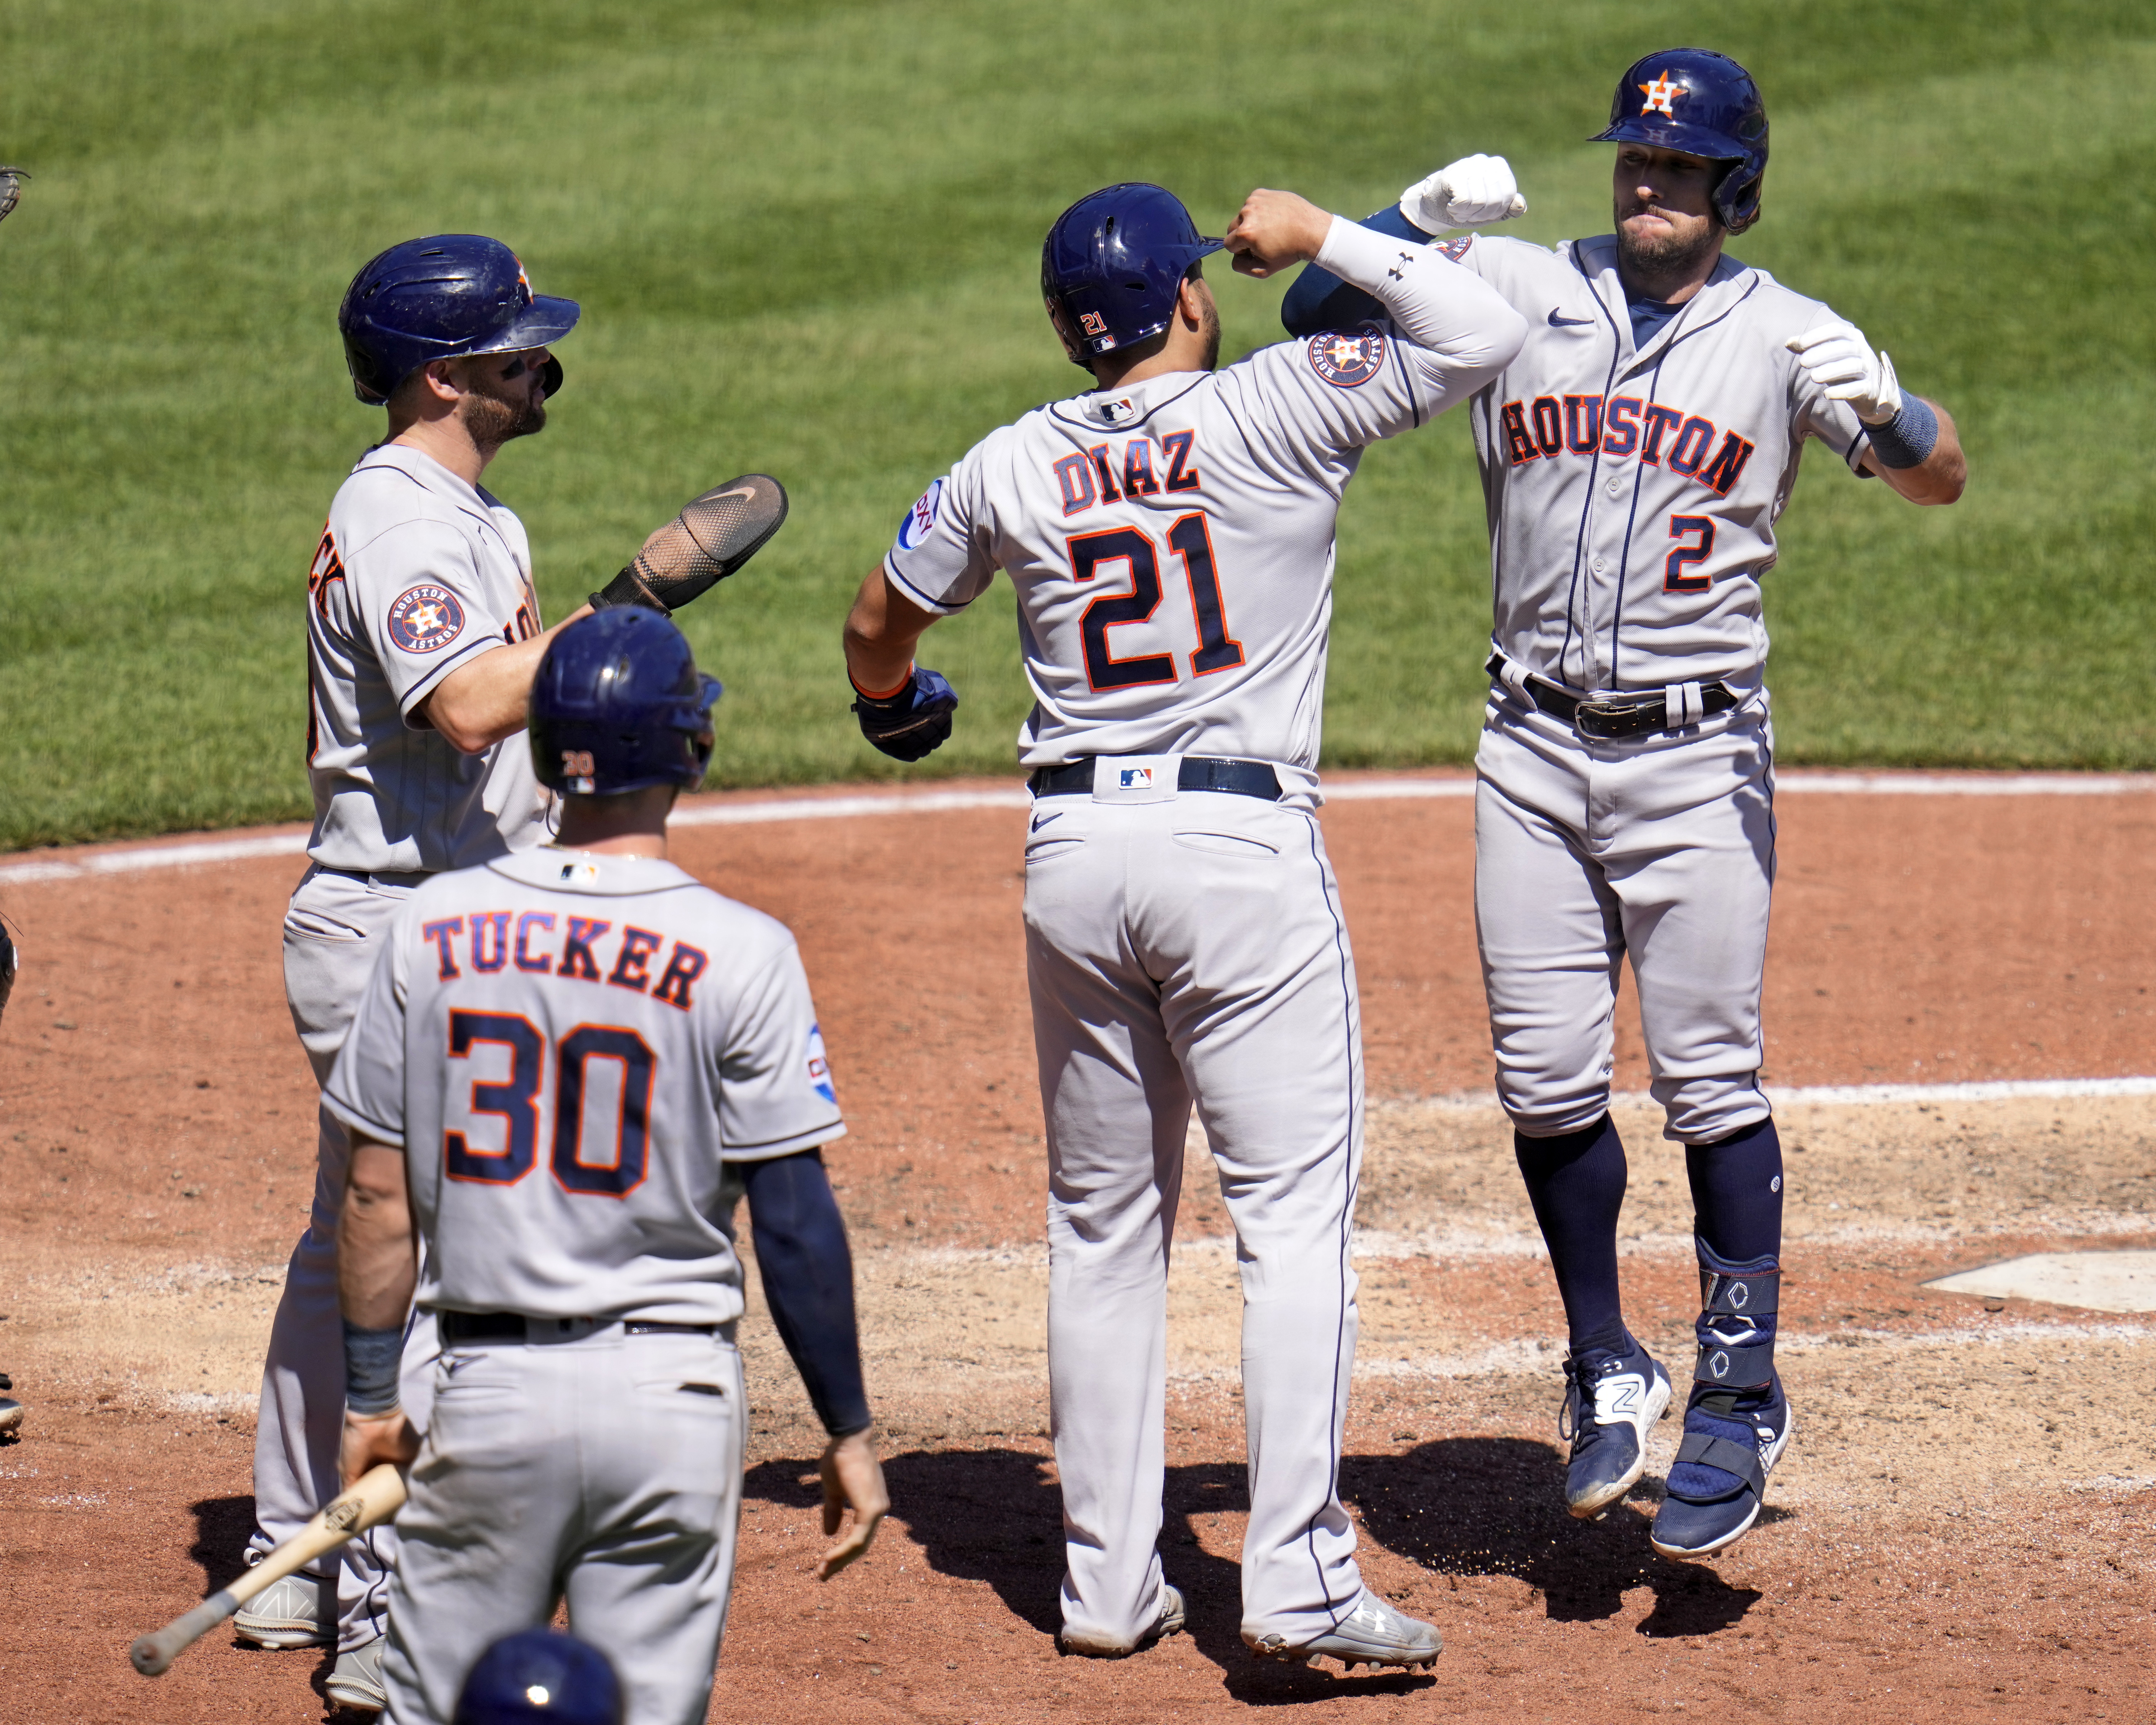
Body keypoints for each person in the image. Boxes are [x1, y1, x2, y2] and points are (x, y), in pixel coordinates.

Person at [1281, 49, 1965, 1559]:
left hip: (1693, 757)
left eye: (1677, 170)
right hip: (1527, 746)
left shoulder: (1790, 337)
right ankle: (1608, 1356)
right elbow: (1310, 320)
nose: (1646, 188)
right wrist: (1398, 216)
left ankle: (1739, 1385)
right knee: (1541, 1082)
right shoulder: (1515, 288)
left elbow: (1939, 483)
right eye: (1633, 164)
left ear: (1734, 187)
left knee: (1709, 1079)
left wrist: (1895, 412)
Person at [843, 180, 1525, 1667]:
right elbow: (1480, 328)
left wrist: (893, 711)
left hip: (1075, 857)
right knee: (1290, 1227)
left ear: (1066, 327)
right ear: (1194, 299)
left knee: (1101, 1229)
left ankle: (1103, 1589)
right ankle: (1293, 1575)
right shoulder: (1277, 404)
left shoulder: (1003, 463)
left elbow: (877, 625)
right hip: (1236, 856)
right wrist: (1335, 235)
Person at [331, 607, 887, 1725]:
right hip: (668, 1401)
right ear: (692, 748)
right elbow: (791, 1220)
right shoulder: (745, 951)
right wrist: (847, 1427)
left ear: (542, 750)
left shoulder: (431, 927)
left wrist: (369, 1400)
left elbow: (375, 1196)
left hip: (485, 1395)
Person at [241, 232, 591, 1707]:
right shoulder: (399, 514)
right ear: (444, 373)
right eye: (514, 341)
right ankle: (385, 1620)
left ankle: (288, 1561)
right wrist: (607, 636)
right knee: (440, 1276)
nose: (541, 358)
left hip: (412, 919)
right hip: (405, 936)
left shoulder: (463, 511)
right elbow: (461, 705)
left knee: (352, 1248)